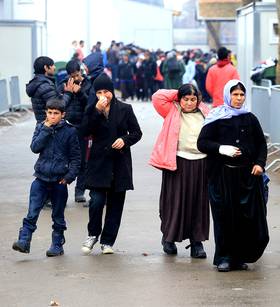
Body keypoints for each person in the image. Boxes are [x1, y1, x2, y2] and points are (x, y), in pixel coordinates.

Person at [197, 80, 269, 272]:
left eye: (241, 95)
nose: (238, 99)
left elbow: (261, 144)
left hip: (247, 177)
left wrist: (259, 164)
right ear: (228, 95)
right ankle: (224, 257)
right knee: (224, 217)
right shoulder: (217, 117)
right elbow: (202, 143)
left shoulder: (250, 118)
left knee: (245, 218)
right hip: (222, 177)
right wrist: (221, 148)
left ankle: (240, 257)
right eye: (235, 95)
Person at [80, 73, 142, 255]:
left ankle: (107, 241)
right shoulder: (91, 109)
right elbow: (83, 131)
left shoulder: (125, 108)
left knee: (116, 205)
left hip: (119, 163)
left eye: (106, 91)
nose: (103, 95)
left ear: (112, 91)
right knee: (96, 201)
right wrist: (96, 112)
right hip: (98, 163)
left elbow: (137, 133)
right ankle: (92, 234)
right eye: (99, 92)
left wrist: (124, 139)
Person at [12, 98, 81, 257]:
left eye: (56, 113)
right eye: (49, 113)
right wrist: (46, 130)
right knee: (32, 211)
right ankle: (24, 240)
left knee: (58, 215)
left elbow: (76, 159)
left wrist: (69, 177)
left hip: (59, 180)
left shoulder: (70, 132)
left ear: (62, 115)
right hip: (40, 179)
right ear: (46, 113)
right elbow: (35, 148)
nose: (52, 116)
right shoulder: (41, 127)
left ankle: (57, 244)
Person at [150, 84, 211, 258]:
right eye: (186, 99)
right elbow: (157, 96)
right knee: (174, 202)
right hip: (177, 162)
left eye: (193, 99)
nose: (190, 103)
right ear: (179, 99)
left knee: (197, 204)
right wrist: (179, 93)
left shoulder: (205, 112)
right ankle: (168, 238)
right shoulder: (171, 110)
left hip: (201, 163)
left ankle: (196, 242)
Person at [58, 60, 92, 204]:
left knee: (83, 160)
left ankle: (80, 191)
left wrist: (79, 93)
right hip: (67, 126)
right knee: (64, 160)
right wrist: (66, 92)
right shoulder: (64, 84)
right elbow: (59, 104)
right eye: (72, 75)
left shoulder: (88, 84)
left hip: (83, 127)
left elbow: (90, 105)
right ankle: (59, 191)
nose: (75, 78)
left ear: (80, 71)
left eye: (77, 74)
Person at [26, 56, 74, 123]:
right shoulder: (45, 86)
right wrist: (68, 93)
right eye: (52, 65)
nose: (54, 67)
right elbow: (57, 106)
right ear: (46, 67)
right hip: (50, 126)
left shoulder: (38, 82)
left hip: (44, 124)